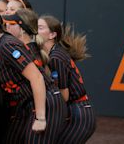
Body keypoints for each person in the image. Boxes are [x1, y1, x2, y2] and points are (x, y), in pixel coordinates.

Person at [0, 9, 65, 143]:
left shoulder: (7, 45)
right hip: (26, 105)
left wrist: (40, 118)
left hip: (45, 102)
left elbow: (37, 78)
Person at [38, 15, 96, 143]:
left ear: (52, 35)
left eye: (40, 27)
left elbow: (64, 96)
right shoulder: (52, 54)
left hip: (80, 114)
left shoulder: (56, 57)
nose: (36, 31)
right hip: (76, 111)